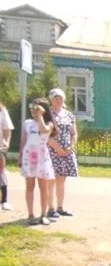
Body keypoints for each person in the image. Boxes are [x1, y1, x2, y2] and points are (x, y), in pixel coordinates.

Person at [19, 98, 55, 225]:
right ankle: (30, 214)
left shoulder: (49, 123)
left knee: (43, 187)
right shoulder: (27, 123)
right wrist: (20, 155)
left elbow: (45, 131)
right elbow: (23, 140)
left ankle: (43, 214)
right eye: (32, 108)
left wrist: (40, 116)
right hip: (29, 157)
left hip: (42, 158)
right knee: (29, 186)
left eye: (36, 108)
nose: (33, 110)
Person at [46, 88, 78, 219]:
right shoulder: (48, 114)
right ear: (51, 99)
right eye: (55, 97)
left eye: (60, 97)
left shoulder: (69, 115)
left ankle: (60, 207)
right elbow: (44, 134)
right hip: (52, 151)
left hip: (66, 150)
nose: (58, 100)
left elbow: (74, 133)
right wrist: (57, 148)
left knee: (62, 180)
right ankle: (50, 208)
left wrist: (71, 146)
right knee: (51, 180)